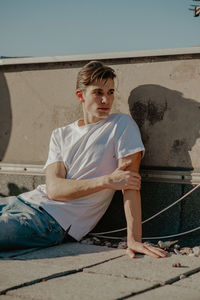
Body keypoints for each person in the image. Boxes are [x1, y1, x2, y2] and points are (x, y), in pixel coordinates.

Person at [0, 61, 167, 259]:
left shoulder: (121, 125)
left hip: (50, 221)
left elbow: (129, 185)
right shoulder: (60, 134)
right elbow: (54, 189)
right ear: (81, 95)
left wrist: (134, 239)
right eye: (98, 92)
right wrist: (106, 181)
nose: (106, 99)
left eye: (111, 92)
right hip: (21, 201)